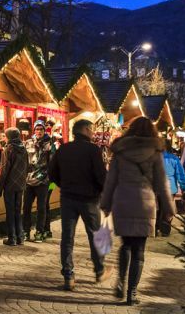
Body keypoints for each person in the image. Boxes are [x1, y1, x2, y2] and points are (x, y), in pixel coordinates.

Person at [100, 117, 175, 306]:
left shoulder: (120, 151)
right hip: (145, 202)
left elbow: (111, 180)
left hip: (123, 200)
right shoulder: (155, 152)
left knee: (125, 245)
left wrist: (106, 204)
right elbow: (162, 183)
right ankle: (132, 292)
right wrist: (168, 208)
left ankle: (121, 282)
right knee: (139, 250)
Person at [48, 119, 110, 290]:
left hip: (68, 198)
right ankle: (99, 271)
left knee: (67, 238)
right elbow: (100, 175)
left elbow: (51, 173)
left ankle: (68, 275)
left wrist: (64, 185)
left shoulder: (64, 149)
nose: (93, 132)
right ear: (86, 130)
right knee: (96, 236)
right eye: (92, 129)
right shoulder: (92, 150)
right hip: (89, 200)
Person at [23, 121, 55, 242]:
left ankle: (40, 231)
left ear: (44, 130)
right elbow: (25, 160)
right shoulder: (28, 142)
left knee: (42, 207)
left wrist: (50, 179)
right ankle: (25, 231)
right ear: (34, 130)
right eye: (37, 129)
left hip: (44, 180)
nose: (39, 131)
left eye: (41, 129)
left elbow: (52, 162)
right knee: (26, 207)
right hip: (29, 179)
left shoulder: (50, 143)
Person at [0, 127, 29, 246]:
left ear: (9, 136)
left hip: (10, 185)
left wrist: (0, 188)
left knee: (10, 212)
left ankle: (12, 238)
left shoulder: (8, 149)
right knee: (17, 211)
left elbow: (4, 170)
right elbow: (27, 167)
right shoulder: (23, 149)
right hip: (20, 185)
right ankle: (20, 237)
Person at [159, 144, 185, 234]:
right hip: (170, 187)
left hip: (156, 186)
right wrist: (184, 187)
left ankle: (156, 227)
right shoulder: (174, 158)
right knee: (168, 208)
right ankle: (166, 229)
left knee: (158, 207)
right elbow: (180, 174)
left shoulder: (153, 158)